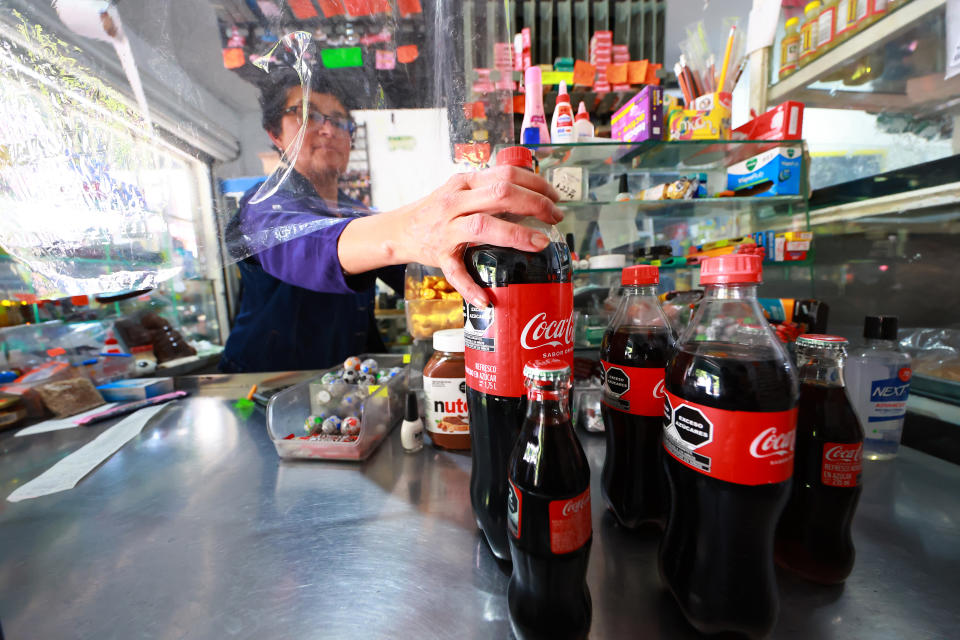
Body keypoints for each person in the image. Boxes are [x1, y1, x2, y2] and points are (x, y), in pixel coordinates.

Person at [221, 70, 562, 372]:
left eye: (339, 120)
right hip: (263, 382)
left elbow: (416, 277)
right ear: (274, 133)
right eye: (307, 114)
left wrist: (493, 267)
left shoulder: (356, 210)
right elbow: (307, 247)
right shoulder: (262, 205)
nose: (327, 129)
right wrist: (414, 228)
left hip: (345, 377)